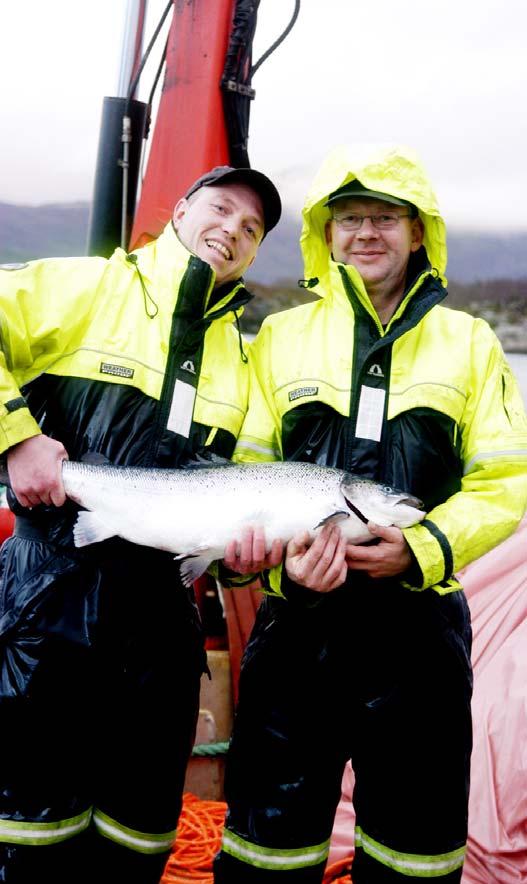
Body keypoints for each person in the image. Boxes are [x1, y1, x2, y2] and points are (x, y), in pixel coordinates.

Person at [213, 144, 527, 883]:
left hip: (418, 641)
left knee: (414, 858)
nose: (365, 234)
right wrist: (266, 554)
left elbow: (506, 479)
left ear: (419, 233)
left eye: (385, 218)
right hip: (297, 634)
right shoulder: (280, 339)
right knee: (266, 849)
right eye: (347, 219)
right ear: (324, 235)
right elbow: (245, 476)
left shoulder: (470, 343)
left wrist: (422, 549)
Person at [0, 164, 281, 884]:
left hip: (160, 625)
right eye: (220, 209)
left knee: (137, 837)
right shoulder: (86, 287)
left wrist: (242, 559)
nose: (232, 231)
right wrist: (15, 434)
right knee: (30, 832)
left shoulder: (241, 361)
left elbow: (230, 515)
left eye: (251, 229)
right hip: (48, 604)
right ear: (181, 210)